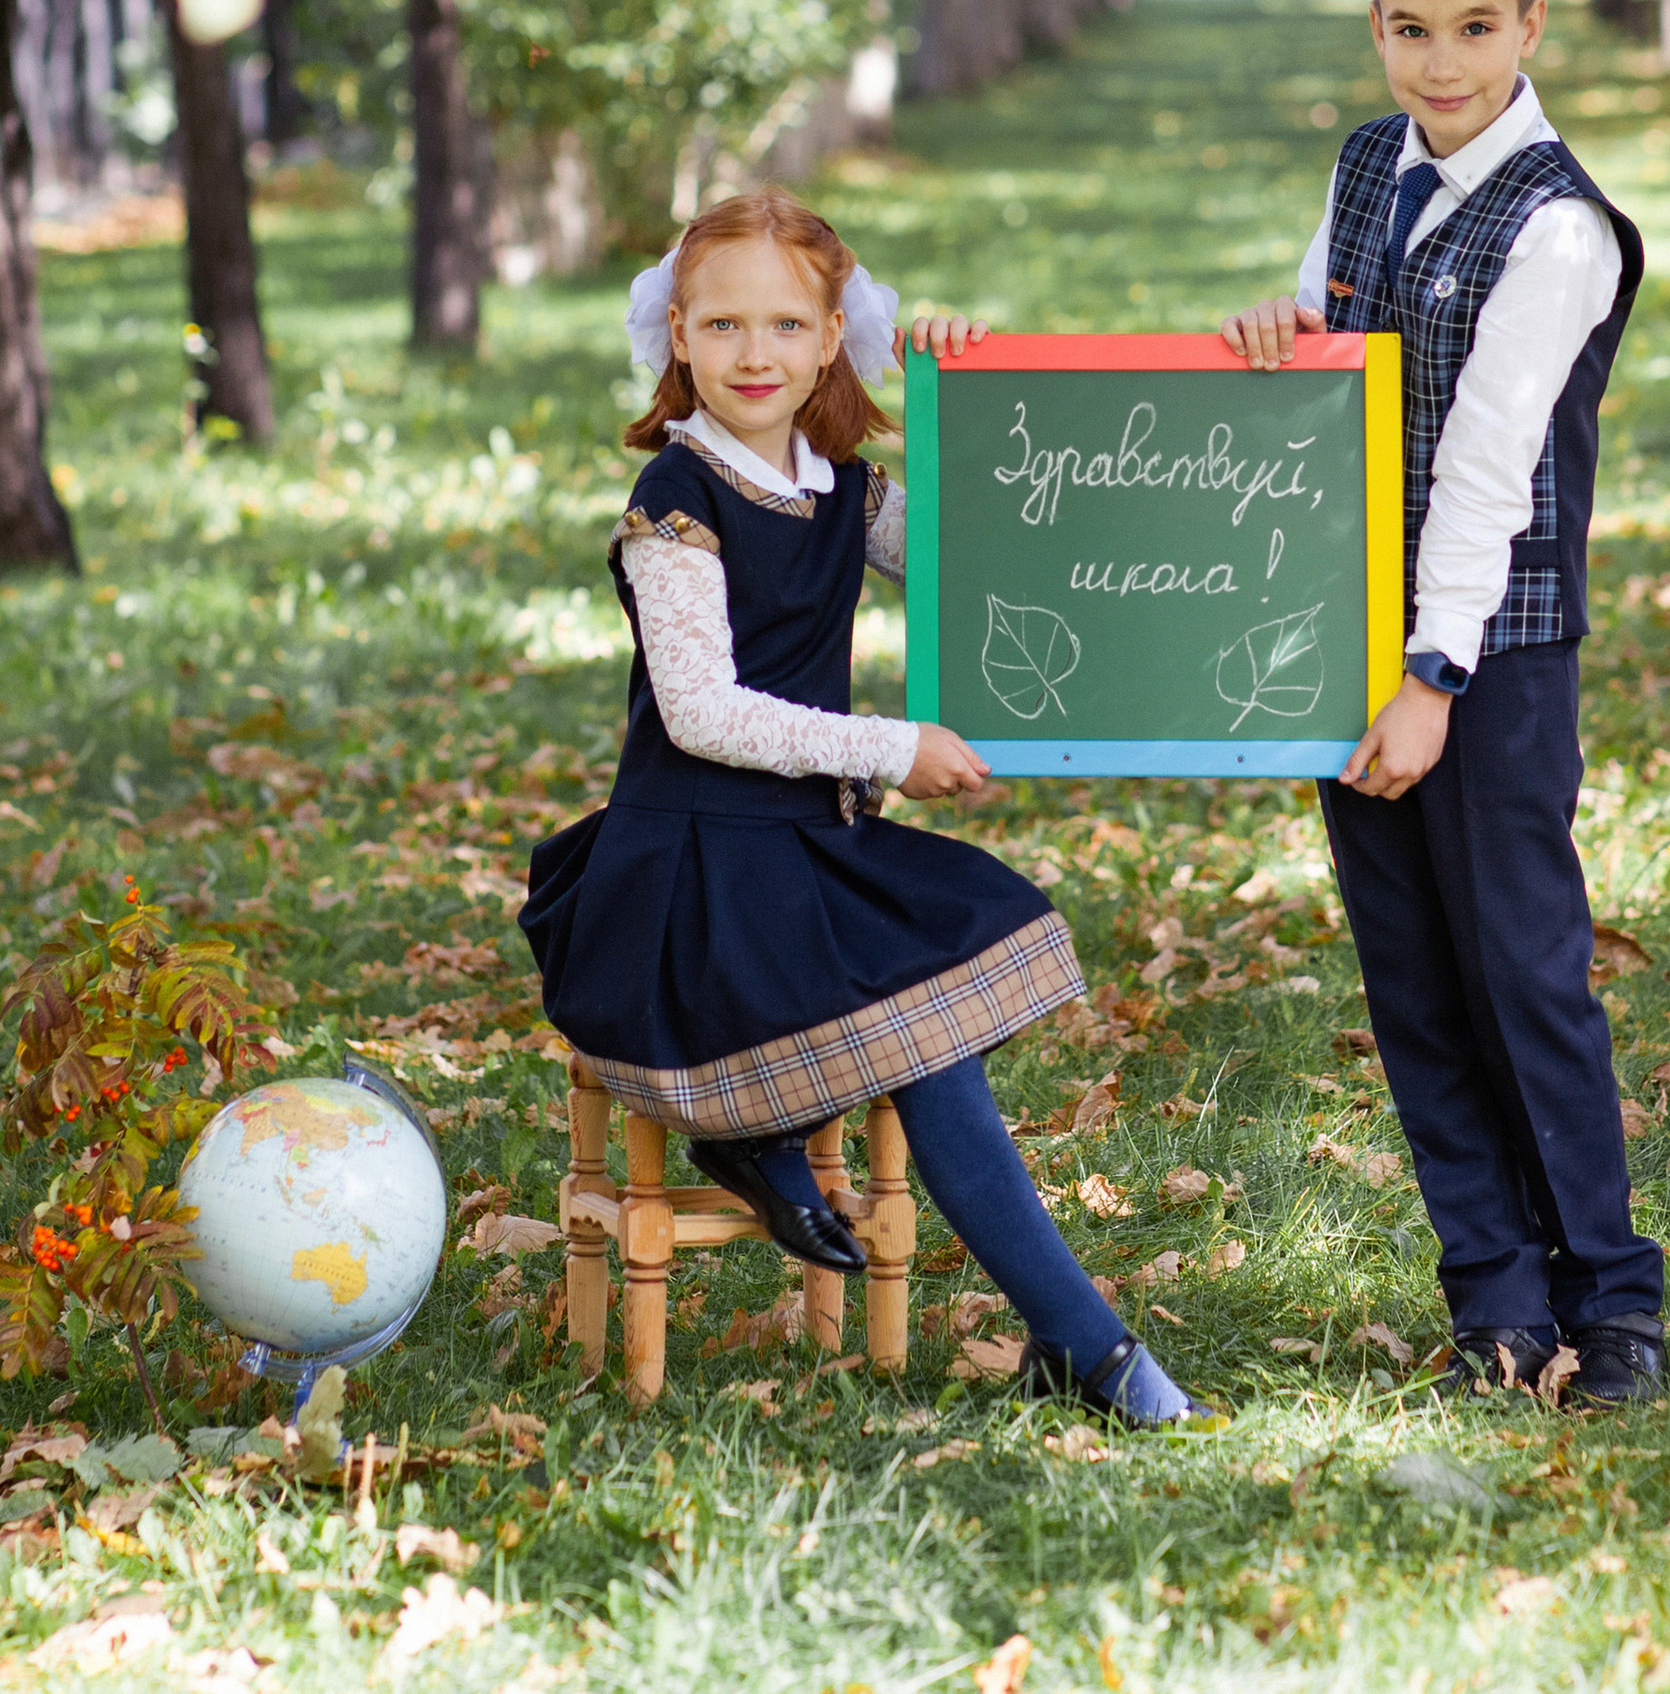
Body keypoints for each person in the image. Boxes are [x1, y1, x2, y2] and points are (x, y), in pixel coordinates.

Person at [521, 190, 1218, 1430]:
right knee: (930, 1037)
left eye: (788, 326)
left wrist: (971, 392)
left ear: (834, 335)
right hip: (688, 879)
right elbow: (704, 713)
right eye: (724, 325)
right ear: (677, 336)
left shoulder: (842, 489)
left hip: (801, 851)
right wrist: (892, 746)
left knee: (952, 973)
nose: (755, 355)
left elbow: (1000, 546)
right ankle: (1083, 1343)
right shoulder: (674, 504)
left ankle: (799, 1153)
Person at [1219, 0, 1667, 1408]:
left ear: (1531, 24)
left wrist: (1430, 680)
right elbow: (1320, 340)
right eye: (1411, 28)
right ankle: (1493, 1295)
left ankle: (1611, 1302)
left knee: (1524, 974)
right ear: (1379, 26)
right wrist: (1274, 340)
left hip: (1491, 655)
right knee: (1412, 979)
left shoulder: (1557, 233)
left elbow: (1484, 468)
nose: (1442, 63)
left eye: (1476, 27)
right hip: (1346, 627)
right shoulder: (1368, 167)